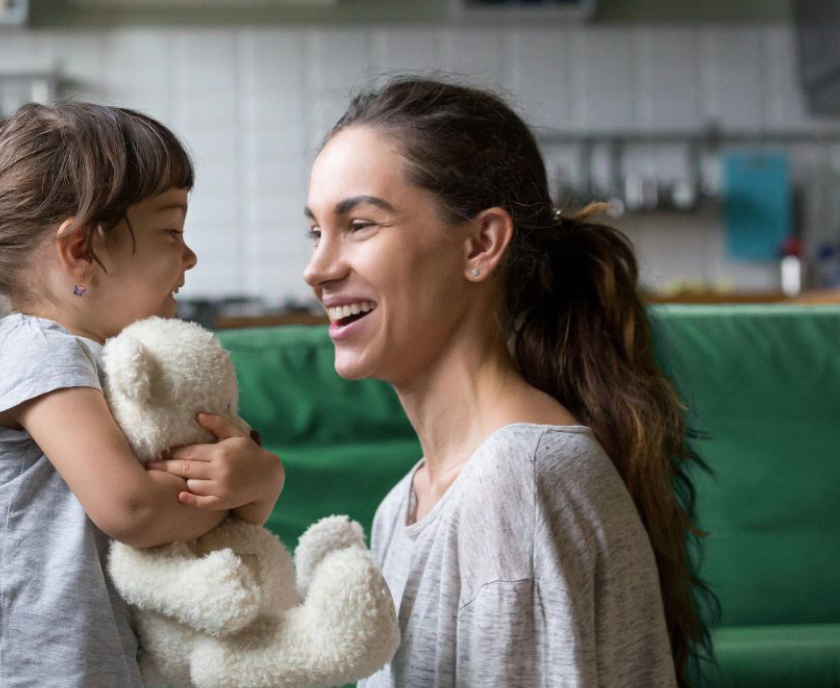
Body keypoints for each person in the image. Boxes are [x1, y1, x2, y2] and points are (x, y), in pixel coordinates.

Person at [303, 76, 713, 687]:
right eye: (315, 231)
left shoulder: (517, 483)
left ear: (481, 243)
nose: (318, 269)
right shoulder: (406, 504)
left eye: (359, 225)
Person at [0, 102, 285, 688]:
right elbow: (133, 509)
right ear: (80, 249)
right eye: (170, 230)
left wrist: (247, 483)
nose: (189, 257)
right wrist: (251, 484)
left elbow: (194, 521)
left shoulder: (110, 364)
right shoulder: (32, 348)